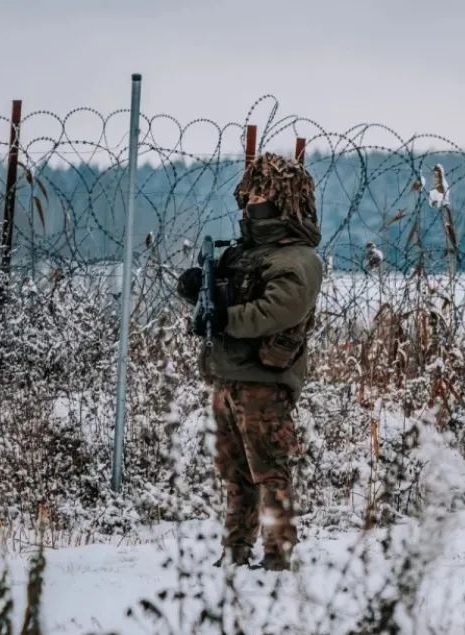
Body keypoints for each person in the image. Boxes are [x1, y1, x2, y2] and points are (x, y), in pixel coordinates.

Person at [176, 152, 324, 571]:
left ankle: (278, 555)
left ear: (284, 199)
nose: (251, 198)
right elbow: (223, 297)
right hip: (227, 375)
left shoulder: (297, 259)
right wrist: (198, 291)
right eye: (251, 189)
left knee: (269, 472)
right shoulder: (245, 252)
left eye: (262, 191)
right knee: (235, 474)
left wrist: (225, 316)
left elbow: (277, 311)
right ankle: (236, 550)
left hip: (264, 382)